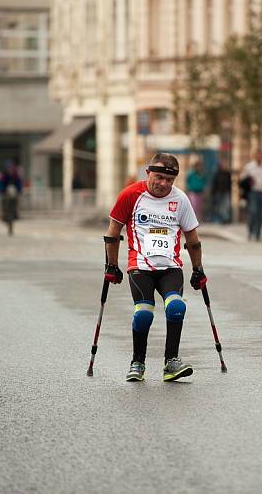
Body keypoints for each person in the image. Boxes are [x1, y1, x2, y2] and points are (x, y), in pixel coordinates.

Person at [103, 152, 206, 383]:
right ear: (148, 173)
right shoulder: (130, 194)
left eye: (169, 180)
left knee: (176, 306)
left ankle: (171, 362)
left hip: (170, 266)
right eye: (159, 177)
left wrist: (198, 269)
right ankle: (137, 363)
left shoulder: (180, 200)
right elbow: (112, 232)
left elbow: (192, 238)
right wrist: (111, 265)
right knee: (143, 314)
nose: (163, 184)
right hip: (140, 266)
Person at [0, 161, 22, 235]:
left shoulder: (16, 175)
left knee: (12, 212)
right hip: (5, 195)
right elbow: (0, 185)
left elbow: (19, 184)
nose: (10, 169)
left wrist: (18, 191)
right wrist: (3, 191)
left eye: (11, 168)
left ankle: (11, 226)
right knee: (6, 211)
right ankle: (6, 219)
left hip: (13, 196)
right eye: (8, 168)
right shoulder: (4, 175)